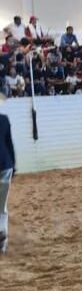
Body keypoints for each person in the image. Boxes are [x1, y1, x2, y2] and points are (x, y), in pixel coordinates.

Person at [0, 108, 15, 254]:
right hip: (5, 165)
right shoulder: (4, 119)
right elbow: (9, 143)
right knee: (2, 206)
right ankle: (2, 243)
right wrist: (14, 165)